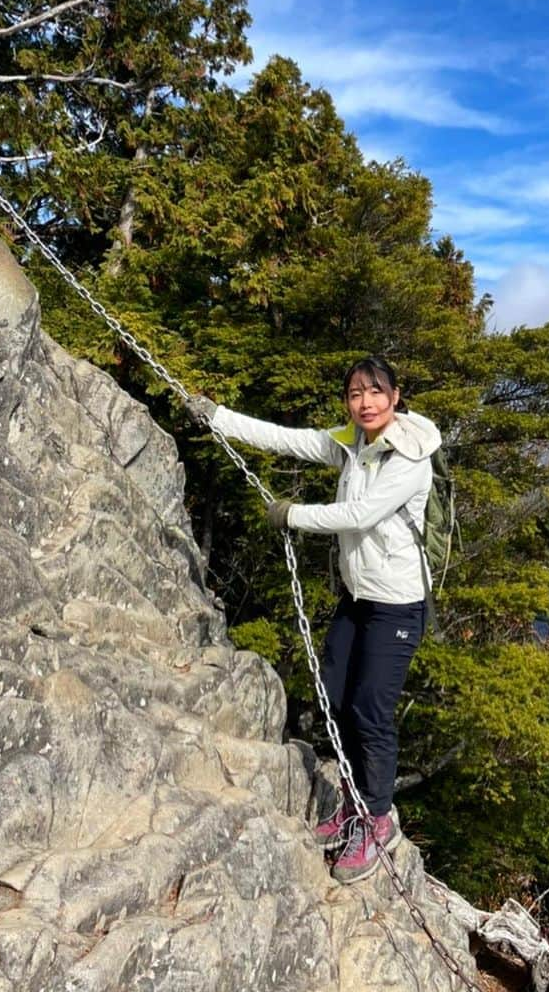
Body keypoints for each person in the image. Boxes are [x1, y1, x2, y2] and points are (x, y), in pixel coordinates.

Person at [187, 356, 440, 883]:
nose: (365, 403)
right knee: (336, 698)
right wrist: (218, 418)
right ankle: (352, 806)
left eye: (375, 393)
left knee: (370, 709)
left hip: (397, 603)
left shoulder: (410, 456)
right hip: (358, 597)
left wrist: (293, 515)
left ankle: (376, 820)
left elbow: (360, 514)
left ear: (395, 397)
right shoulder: (353, 443)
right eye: (355, 394)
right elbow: (290, 440)